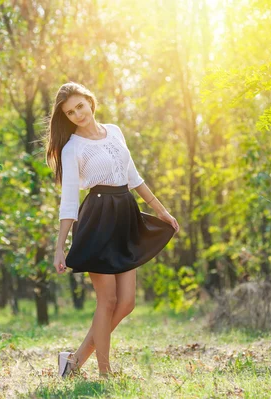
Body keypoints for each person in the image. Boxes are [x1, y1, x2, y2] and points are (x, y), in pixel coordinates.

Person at [45, 82, 179, 379]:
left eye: (80, 106)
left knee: (127, 302)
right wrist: (60, 247)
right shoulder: (72, 148)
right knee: (107, 301)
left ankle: (73, 361)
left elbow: (133, 176)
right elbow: (69, 200)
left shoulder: (115, 131)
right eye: (70, 112)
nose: (77, 114)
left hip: (125, 213)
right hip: (98, 217)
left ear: (90, 102)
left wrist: (161, 210)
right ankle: (104, 373)